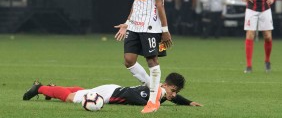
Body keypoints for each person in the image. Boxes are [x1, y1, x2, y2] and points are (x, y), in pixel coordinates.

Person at [114, 0, 172, 113]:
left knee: (152, 61)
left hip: (150, 26)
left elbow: (160, 4)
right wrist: (127, 22)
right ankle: (157, 90)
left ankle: (153, 101)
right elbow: (137, 0)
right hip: (135, 25)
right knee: (129, 60)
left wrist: (165, 30)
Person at [23, 73, 203, 107]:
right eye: (173, 91)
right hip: (110, 94)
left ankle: (52, 89)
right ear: (165, 85)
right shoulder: (156, 93)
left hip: (112, 89)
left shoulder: (161, 92)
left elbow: (175, 98)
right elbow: (133, 95)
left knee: (82, 92)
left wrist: (188, 102)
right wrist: (150, 103)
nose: (174, 95)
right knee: (72, 98)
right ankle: (40, 88)